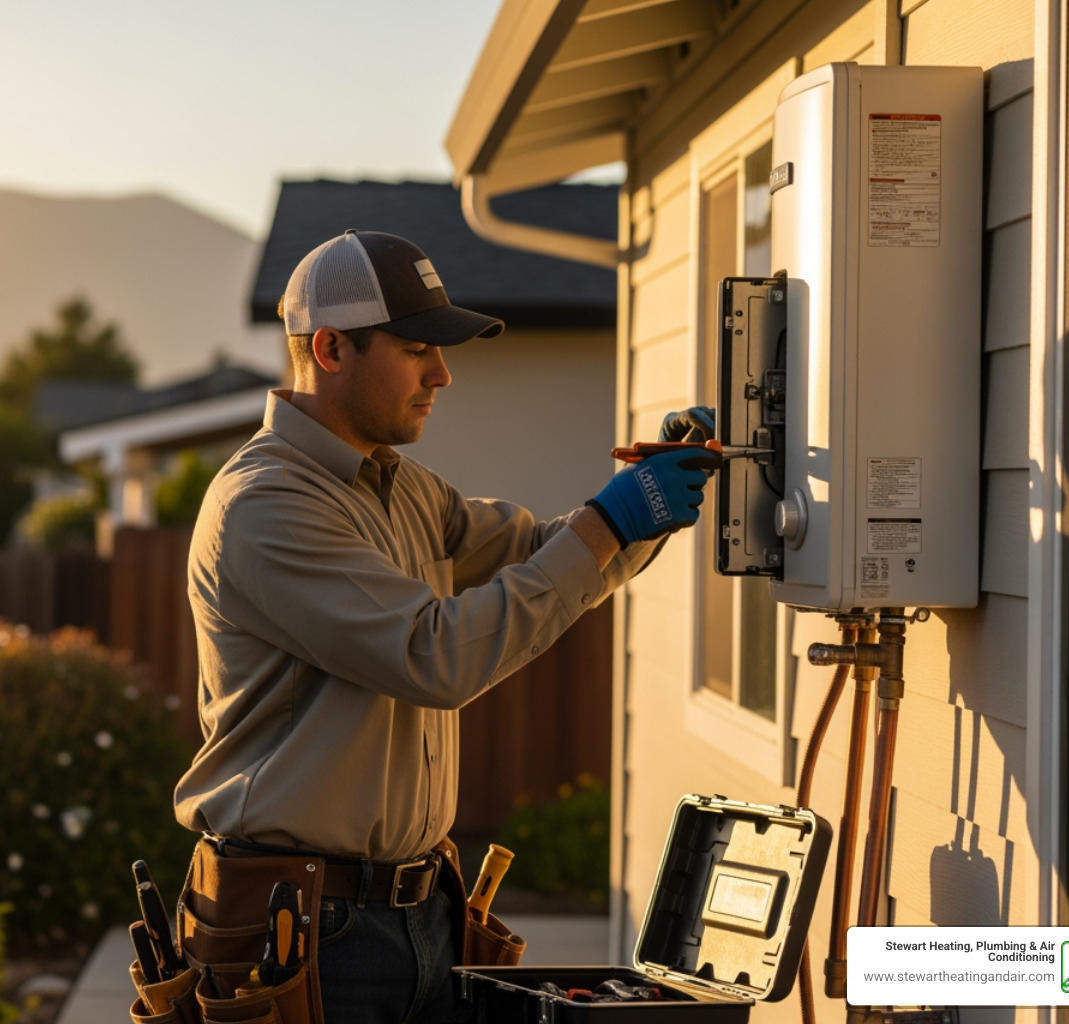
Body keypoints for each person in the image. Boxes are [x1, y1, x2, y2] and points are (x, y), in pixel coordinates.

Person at [173, 229, 718, 1024]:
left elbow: (545, 555)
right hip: (304, 929)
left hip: (419, 911)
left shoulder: (400, 487)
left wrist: (647, 502)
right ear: (329, 348)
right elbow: (433, 657)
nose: (443, 374)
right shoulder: (266, 505)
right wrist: (614, 520)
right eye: (417, 348)